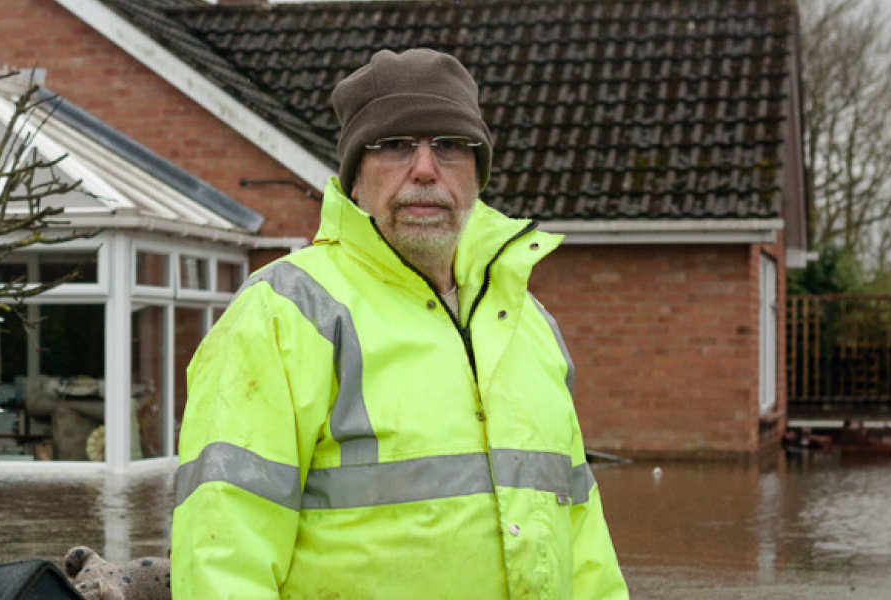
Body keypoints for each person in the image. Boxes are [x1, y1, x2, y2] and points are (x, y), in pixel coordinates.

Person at [170, 48, 629, 598]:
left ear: (477, 175)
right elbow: (222, 547)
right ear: (355, 177)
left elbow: (583, 539)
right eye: (394, 146)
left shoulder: (527, 324)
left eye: (451, 147)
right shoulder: (285, 313)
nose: (426, 170)